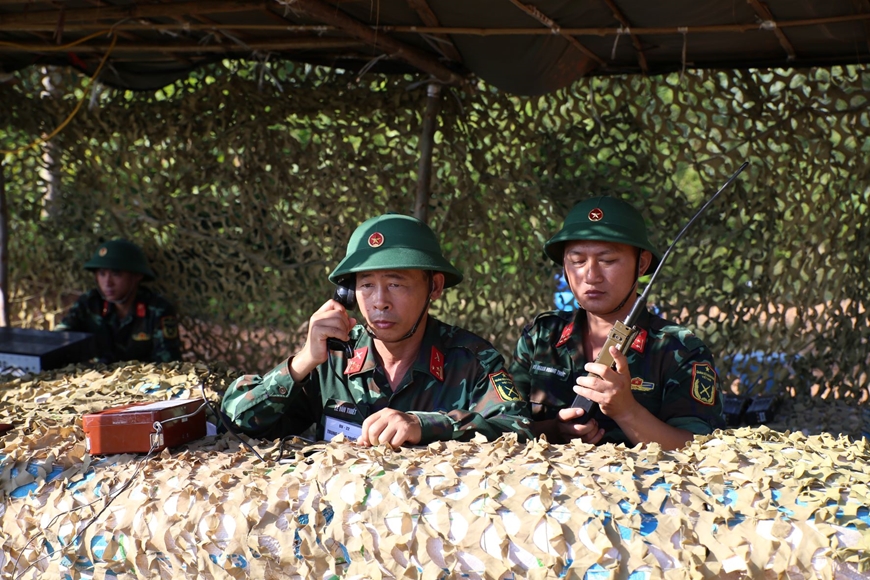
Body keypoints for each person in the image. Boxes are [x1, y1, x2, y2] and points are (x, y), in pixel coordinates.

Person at [221, 213, 532, 447]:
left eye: (396, 284)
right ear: (347, 294)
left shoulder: (471, 360)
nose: (379, 302)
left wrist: (425, 425)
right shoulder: (333, 356)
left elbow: (518, 428)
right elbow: (238, 421)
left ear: (434, 287)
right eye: (367, 285)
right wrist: (302, 362)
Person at [509, 197, 724, 450]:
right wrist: (553, 430)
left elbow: (700, 448)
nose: (591, 276)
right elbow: (505, 425)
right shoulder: (542, 336)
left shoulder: (679, 349)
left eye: (608, 261)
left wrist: (627, 411)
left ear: (641, 264)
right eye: (577, 261)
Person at [55, 239, 182, 364]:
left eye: (116, 274)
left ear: (137, 276)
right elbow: (57, 340)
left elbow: (169, 364)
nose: (107, 283)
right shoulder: (90, 303)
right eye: (102, 274)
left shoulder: (157, 310)